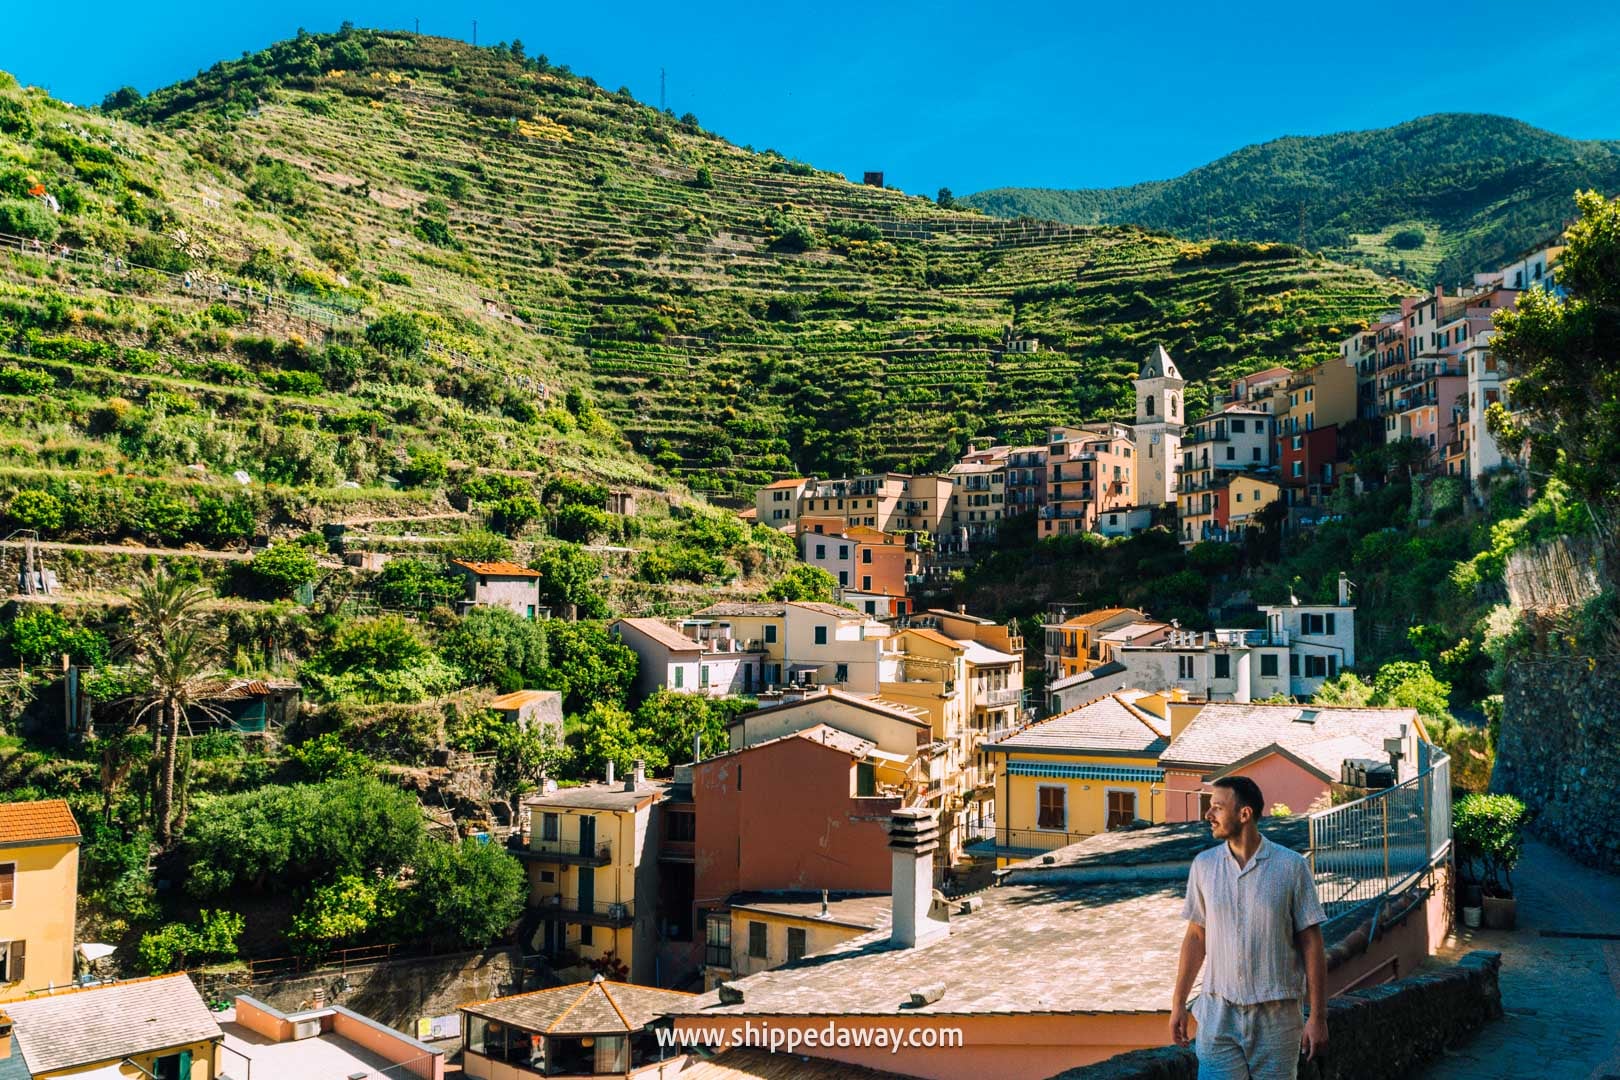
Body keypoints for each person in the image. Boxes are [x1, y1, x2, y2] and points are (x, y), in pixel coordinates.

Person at [1169, 777, 1327, 1079]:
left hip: (1277, 1018)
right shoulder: (1203, 866)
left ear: (1245, 814)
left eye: (1217, 807)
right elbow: (1195, 936)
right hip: (1218, 1015)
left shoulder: (1291, 867)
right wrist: (1178, 1004)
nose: (1208, 815)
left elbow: (1312, 943)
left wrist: (1318, 1017)